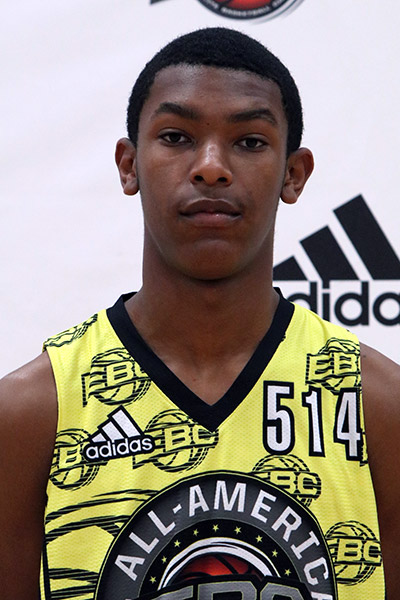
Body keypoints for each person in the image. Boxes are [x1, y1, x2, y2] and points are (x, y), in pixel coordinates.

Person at [0, 27, 399, 600]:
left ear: (294, 174)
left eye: (250, 141)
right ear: (129, 164)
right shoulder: (31, 412)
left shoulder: (380, 407)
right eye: (176, 137)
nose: (211, 166)